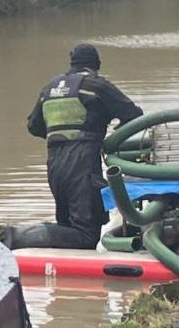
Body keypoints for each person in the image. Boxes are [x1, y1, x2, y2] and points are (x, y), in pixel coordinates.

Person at [25, 41, 142, 240]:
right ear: (95, 66)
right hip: (83, 165)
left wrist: (62, 136)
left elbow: (34, 126)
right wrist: (113, 136)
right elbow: (133, 114)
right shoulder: (96, 85)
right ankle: (20, 237)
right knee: (87, 233)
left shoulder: (49, 89)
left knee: (67, 225)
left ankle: (52, 262)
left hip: (55, 167)